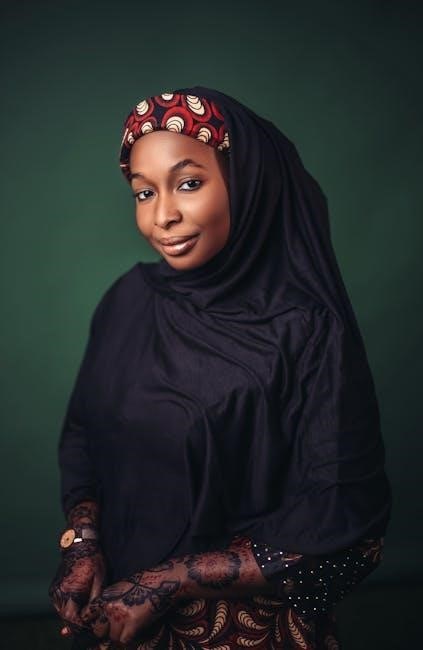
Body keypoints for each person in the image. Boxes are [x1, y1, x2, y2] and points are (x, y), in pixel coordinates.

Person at [49, 87, 392, 649]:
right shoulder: (127, 301)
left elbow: (347, 530)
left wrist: (167, 582)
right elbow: (84, 435)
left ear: (244, 180)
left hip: (245, 633)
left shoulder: (304, 329)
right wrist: (82, 543)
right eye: (143, 192)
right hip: (114, 623)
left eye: (189, 183)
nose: (163, 216)